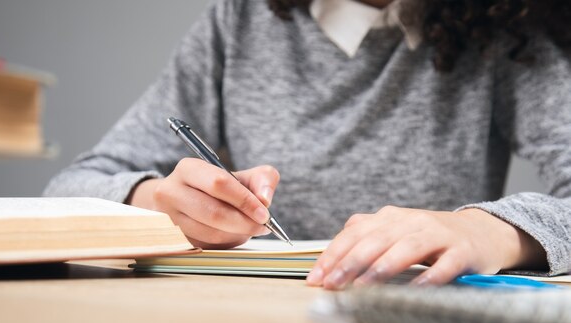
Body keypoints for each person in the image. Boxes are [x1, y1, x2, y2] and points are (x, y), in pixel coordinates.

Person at [44, 0, 571, 290]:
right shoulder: (239, 22)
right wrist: (155, 202)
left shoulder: (507, 34)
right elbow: (69, 188)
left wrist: (485, 230)